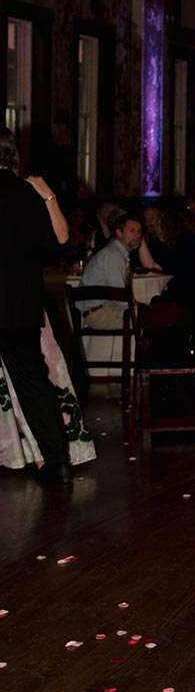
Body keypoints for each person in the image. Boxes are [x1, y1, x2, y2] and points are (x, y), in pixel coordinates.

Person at [0, 129, 73, 482]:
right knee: (32, 381)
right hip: (19, 304)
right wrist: (48, 196)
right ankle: (58, 461)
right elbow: (59, 244)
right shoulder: (27, 193)